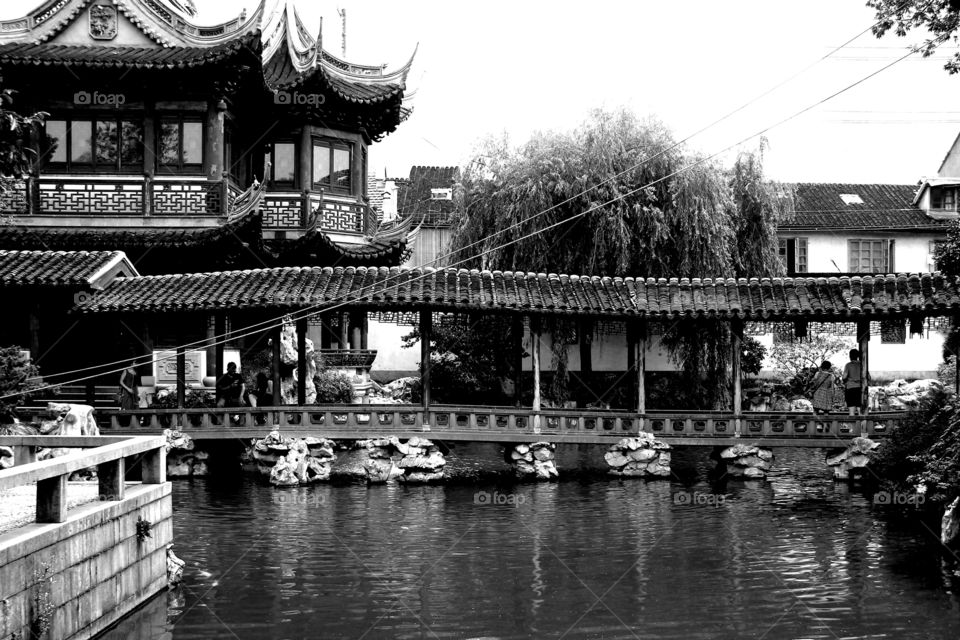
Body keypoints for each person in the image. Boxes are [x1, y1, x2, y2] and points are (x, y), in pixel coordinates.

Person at [841, 348, 867, 416]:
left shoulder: (848, 365)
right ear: (857, 356)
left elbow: (844, 377)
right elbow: (868, 377)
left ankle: (853, 426)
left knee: (851, 411)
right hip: (860, 389)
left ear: (850, 356)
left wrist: (845, 381)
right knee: (860, 411)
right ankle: (861, 426)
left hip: (850, 388)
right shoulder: (862, 365)